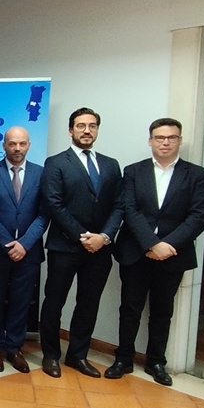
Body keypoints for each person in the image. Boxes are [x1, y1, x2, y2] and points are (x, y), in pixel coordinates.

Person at [106, 118, 204, 386]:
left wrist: (167, 246)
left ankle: (156, 362)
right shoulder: (133, 171)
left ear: (179, 141)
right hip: (136, 251)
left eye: (171, 138)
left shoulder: (197, 175)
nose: (166, 143)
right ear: (150, 140)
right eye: (160, 138)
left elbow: (198, 217)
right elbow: (130, 210)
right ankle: (123, 359)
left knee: (162, 311)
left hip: (173, 254)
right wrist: (151, 244)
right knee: (129, 309)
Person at [39, 108, 123, 378]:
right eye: (81, 125)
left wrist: (104, 237)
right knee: (54, 302)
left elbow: (119, 205)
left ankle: (78, 355)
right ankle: (51, 355)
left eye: (92, 125)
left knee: (88, 304)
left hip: (100, 249)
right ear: (70, 130)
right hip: (65, 246)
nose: (87, 130)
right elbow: (54, 204)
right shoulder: (55, 163)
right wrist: (83, 236)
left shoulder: (111, 165)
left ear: (97, 129)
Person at [0, 127, 49, 373]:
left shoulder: (41, 173)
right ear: (4, 145)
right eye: (12, 143)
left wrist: (24, 243)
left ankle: (14, 347)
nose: (17, 148)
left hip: (28, 251)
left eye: (21, 143)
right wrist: (8, 243)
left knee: (21, 302)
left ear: (29, 145)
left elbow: (44, 214)